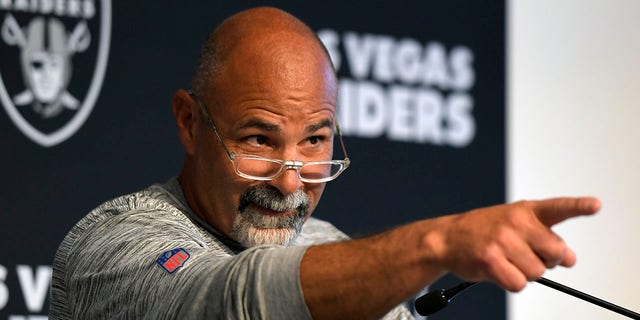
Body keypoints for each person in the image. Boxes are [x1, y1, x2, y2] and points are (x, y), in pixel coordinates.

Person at [49, 6, 601, 320]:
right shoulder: (114, 244)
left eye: (315, 141)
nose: (290, 182)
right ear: (189, 122)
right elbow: (230, 300)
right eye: (259, 139)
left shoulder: (330, 248)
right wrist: (438, 243)